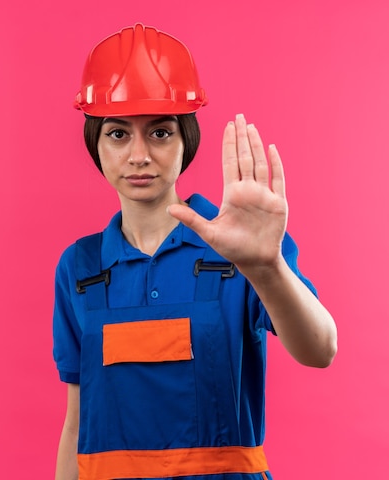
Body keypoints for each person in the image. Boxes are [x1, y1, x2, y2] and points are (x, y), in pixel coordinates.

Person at [52, 23, 337, 480]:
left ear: (187, 139)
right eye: (118, 134)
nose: (139, 155)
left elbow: (320, 349)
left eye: (160, 132)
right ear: (96, 144)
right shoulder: (80, 268)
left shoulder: (240, 246)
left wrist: (265, 267)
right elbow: (77, 423)